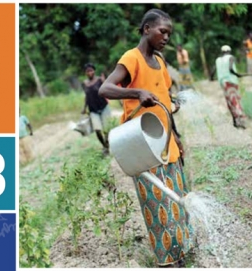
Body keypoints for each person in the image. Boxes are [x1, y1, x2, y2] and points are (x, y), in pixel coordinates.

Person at [99, 8, 193, 268]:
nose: (166, 37)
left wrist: (177, 136)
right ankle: (168, 260)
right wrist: (137, 92)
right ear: (146, 28)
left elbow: (164, 100)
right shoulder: (132, 59)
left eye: (169, 33)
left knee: (177, 200)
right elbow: (105, 88)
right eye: (162, 31)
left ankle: (183, 251)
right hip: (141, 144)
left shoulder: (161, 62)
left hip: (166, 142)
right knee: (157, 204)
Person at [215, 45, 248, 129]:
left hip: (223, 83)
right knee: (235, 100)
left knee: (229, 101)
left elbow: (213, 71)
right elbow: (230, 69)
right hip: (231, 81)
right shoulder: (231, 57)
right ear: (229, 51)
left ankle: (235, 120)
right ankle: (241, 120)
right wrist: (238, 74)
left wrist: (211, 78)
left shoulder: (218, 60)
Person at [81, 63, 110, 155]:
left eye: (91, 70)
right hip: (93, 109)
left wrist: (104, 81)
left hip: (103, 107)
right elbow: (86, 96)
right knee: (97, 130)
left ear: (94, 71)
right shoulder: (84, 83)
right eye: (87, 71)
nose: (89, 73)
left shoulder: (99, 80)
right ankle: (104, 145)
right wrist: (84, 108)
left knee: (106, 129)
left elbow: (107, 89)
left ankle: (107, 145)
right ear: (85, 73)